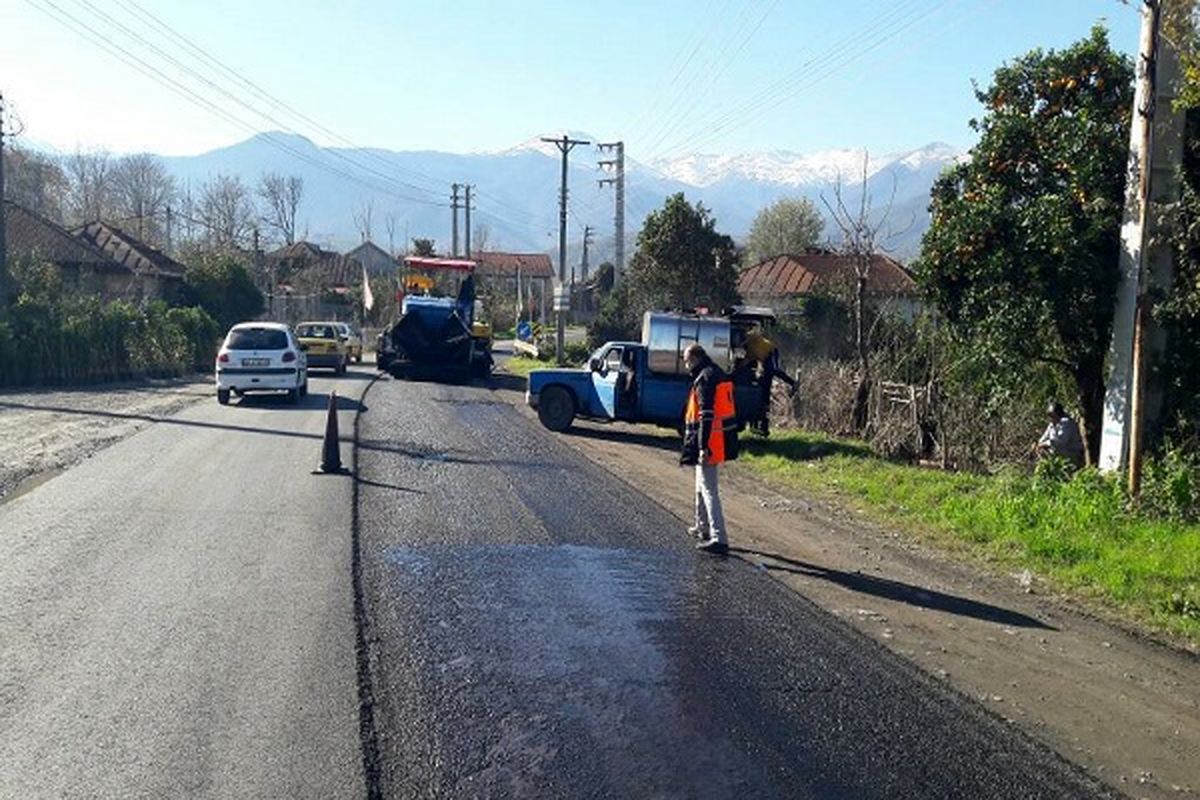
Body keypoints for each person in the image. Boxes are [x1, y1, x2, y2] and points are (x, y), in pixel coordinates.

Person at [680, 343, 739, 555]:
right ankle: (701, 526)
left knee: (708, 490)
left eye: (686, 359)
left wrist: (703, 446)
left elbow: (706, 414)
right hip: (717, 439)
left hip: (710, 442)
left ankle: (719, 538)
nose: (685, 364)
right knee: (700, 485)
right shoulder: (715, 373)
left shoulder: (705, 379)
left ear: (695, 358)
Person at [743, 326, 796, 436]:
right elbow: (749, 359)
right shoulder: (750, 345)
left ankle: (792, 382)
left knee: (773, 370)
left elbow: (748, 358)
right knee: (764, 379)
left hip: (771, 351)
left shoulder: (750, 341)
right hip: (765, 355)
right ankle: (761, 425)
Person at [1035, 401, 1085, 466]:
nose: (1050, 418)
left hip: (1071, 455)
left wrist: (1045, 444)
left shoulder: (1067, 423)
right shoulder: (1052, 424)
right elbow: (1044, 438)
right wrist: (1038, 444)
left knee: (1053, 449)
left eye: (1052, 415)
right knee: (1041, 451)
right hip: (1058, 457)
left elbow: (1060, 442)